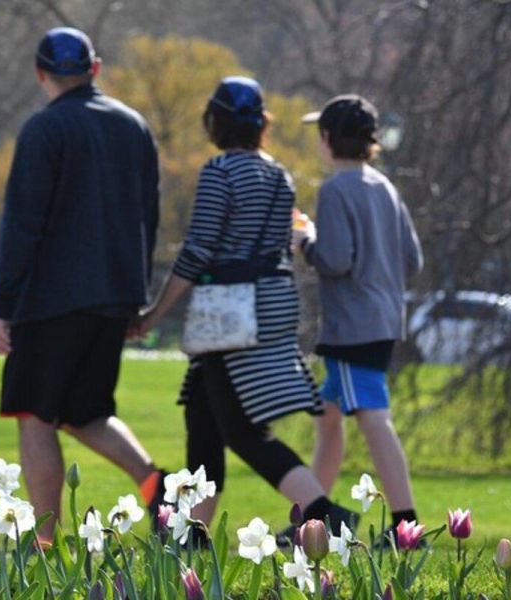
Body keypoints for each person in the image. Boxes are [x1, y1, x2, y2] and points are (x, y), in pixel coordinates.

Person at [134, 76, 354, 533]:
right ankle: (189, 536)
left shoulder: (220, 172)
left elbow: (198, 251)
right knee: (202, 415)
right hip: (272, 303)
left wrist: (153, 313)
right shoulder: (279, 174)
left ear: (214, 122)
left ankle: (327, 517)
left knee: (242, 431)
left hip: (229, 312)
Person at [0, 27, 166, 540]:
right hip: (114, 294)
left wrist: (1, 303)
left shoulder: (45, 130)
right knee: (85, 412)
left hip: (52, 300)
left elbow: (23, 223)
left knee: (35, 414)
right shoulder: (134, 126)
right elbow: (147, 218)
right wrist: (136, 294)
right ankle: (157, 484)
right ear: (96, 69)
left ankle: (43, 545)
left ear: (41, 73)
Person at [292, 94, 424, 541]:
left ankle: (406, 525)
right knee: (328, 418)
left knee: (372, 416)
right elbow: (413, 257)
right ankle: (307, 524)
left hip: (352, 326)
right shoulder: (385, 187)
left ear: (327, 139)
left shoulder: (334, 189)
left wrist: (304, 239)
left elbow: (335, 260)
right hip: (385, 319)